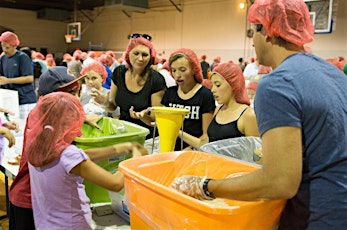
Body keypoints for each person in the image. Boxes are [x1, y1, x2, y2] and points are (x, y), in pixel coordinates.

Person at [171, 0, 347, 229]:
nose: (252, 41)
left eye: (254, 30)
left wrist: (205, 186)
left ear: (267, 32)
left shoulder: (278, 84)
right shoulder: (335, 76)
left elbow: (279, 181)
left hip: (317, 216)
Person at [9, 66, 147, 230]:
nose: (77, 100)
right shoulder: (65, 151)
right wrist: (134, 161)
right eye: (71, 94)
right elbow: (115, 184)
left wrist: (118, 149)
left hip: (44, 215)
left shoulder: (44, 138)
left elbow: (74, 157)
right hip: (41, 209)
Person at [92, 35, 167, 139]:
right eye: (136, 53)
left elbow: (156, 120)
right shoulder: (119, 72)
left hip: (147, 136)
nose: (140, 59)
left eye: (145, 55)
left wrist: (144, 117)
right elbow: (112, 106)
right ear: (128, 54)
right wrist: (104, 102)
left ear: (150, 57)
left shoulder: (156, 80)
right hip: (124, 132)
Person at [178, 62, 259, 149]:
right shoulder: (218, 109)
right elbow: (207, 144)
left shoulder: (248, 116)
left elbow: (256, 155)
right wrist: (177, 132)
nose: (212, 90)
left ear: (233, 84)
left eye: (218, 85)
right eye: (212, 85)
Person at [161, 48, 215, 150]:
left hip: (193, 151)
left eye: (182, 70)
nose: (177, 75)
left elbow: (206, 137)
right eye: (174, 70)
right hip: (170, 149)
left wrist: (190, 148)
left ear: (194, 69)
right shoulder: (170, 93)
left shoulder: (205, 95)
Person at [0, 31, 37, 119]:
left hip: (25, 100)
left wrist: (8, 80)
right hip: (11, 100)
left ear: (15, 46)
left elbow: (29, 78)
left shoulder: (22, 57)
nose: (4, 50)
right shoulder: (3, 58)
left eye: (7, 48)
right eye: (2, 47)